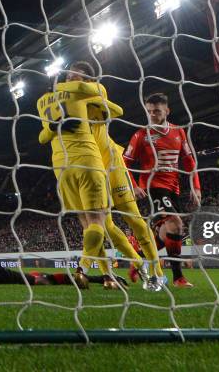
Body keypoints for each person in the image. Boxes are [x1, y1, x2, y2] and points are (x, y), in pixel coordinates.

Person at [65, 61, 163, 291]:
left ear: (88, 81)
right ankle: (118, 273)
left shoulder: (97, 91)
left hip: (111, 165)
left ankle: (158, 272)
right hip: (89, 168)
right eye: (68, 76)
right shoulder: (66, 102)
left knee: (134, 219)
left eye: (75, 77)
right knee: (102, 226)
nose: (69, 80)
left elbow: (113, 108)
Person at [36, 69, 124, 289]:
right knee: (98, 221)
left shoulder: (41, 101)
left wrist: (54, 126)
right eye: (69, 77)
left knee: (88, 225)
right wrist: (77, 86)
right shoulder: (80, 92)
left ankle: (107, 276)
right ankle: (82, 269)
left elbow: (42, 137)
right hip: (87, 160)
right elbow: (116, 109)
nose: (72, 80)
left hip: (61, 167)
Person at [124, 93, 201, 288]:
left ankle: (138, 261)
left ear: (167, 111)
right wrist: (134, 185)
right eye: (149, 111)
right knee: (175, 223)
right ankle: (178, 278)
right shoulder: (141, 135)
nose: (152, 115)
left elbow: (189, 160)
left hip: (173, 188)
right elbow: (124, 162)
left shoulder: (178, 132)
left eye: (156, 111)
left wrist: (196, 186)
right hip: (152, 187)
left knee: (166, 232)